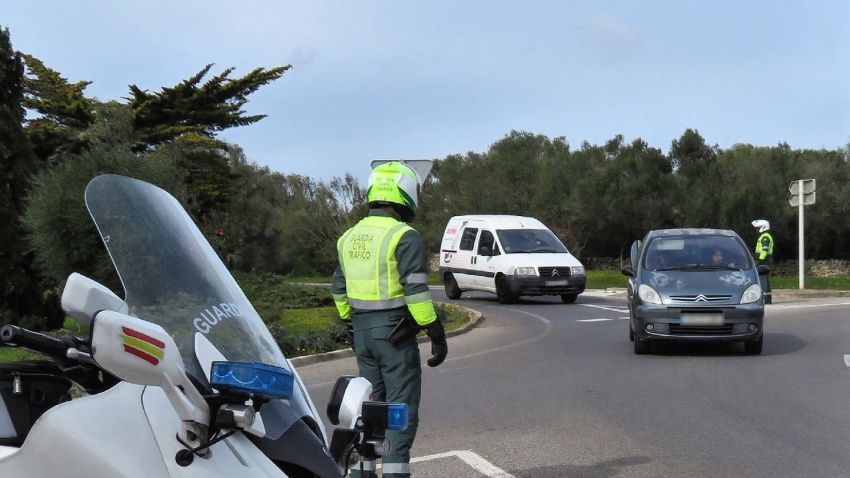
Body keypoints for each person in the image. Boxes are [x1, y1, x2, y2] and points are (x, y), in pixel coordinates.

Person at [331, 161, 447, 478]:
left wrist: (352, 324)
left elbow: (339, 290)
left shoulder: (348, 238)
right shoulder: (403, 236)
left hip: (362, 336)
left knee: (369, 409)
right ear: (406, 195)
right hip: (395, 337)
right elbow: (417, 293)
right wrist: (435, 332)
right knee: (399, 412)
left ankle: (361, 473)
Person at [752, 219, 774, 303]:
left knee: (762, 278)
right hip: (765, 260)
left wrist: (759, 260)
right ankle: (767, 298)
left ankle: (765, 298)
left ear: (763, 227)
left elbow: (764, 251)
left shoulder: (765, 237)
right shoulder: (765, 236)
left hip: (764, 260)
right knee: (765, 278)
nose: (756, 230)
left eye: (758, 228)